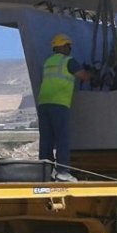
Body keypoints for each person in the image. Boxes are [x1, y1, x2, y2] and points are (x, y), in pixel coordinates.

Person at [37, 33, 93, 181]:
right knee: (62, 138)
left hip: (43, 103)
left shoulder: (48, 62)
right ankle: (62, 172)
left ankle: (44, 172)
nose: (70, 49)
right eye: (69, 46)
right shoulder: (69, 61)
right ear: (63, 46)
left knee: (46, 139)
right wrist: (92, 72)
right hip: (59, 103)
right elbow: (84, 76)